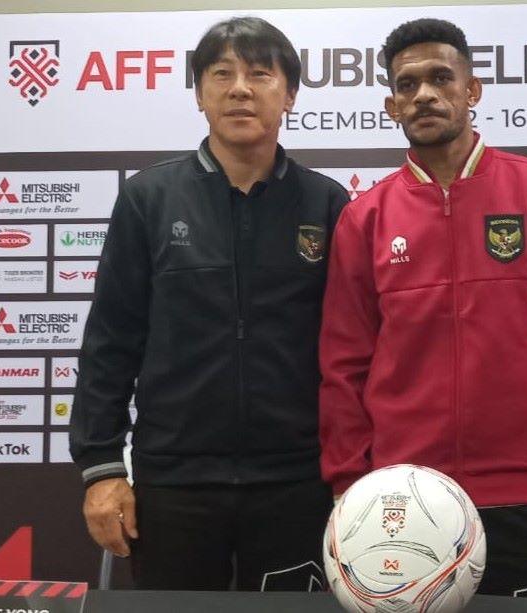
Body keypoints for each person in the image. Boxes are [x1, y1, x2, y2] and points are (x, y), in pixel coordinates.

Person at [318, 18, 527, 598]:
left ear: (471, 90)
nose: (424, 94)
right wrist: (350, 488)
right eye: (407, 85)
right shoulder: (366, 218)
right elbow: (342, 367)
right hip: (402, 496)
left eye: (439, 78)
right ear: (391, 105)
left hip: (526, 488)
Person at [70, 16, 348, 591]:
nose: (240, 88)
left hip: (296, 480)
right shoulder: (149, 197)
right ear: (199, 94)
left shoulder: (326, 203)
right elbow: (110, 342)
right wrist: (100, 469)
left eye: (260, 74)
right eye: (222, 74)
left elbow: (350, 349)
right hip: (174, 482)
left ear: (290, 94)